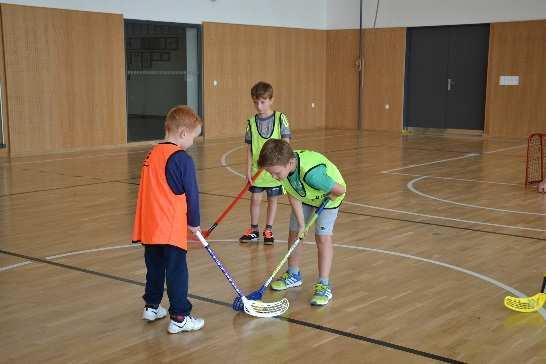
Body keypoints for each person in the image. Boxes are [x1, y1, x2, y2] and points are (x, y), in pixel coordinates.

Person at [132, 105, 204, 334]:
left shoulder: (152, 153)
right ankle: (180, 317)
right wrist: (194, 221)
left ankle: (151, 306)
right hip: (170, 227)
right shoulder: (181, 158)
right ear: (183, 133)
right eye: (194, 137)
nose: (193, 142)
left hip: (150, 226)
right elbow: (191, 193)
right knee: (176, 271)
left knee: (154, 267)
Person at [257, 139, 346, 306]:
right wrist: (302, 225)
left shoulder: (312, 174)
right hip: (304, 195)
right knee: (295, 231)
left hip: (328, 198)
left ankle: (324, 285)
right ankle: (293, 274)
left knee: (322, 238)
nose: (274, 177)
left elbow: (341, 190)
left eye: (276, 173)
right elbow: (293, 194)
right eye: (271, 174)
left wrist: (330, 195)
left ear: (290, 163)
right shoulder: (284, 169)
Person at [239, 81, 291, 244]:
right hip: (257, 170)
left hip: (274, 171)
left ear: (271, 100)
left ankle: (268, 229)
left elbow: (286, 144)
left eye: (262, 102)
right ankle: (254, 229)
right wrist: (247, 170)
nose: (259, 106)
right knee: (255, 199)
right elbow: (249, 148)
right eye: (256, 102)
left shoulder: (281, 118)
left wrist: (283, 168)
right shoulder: (251, 122)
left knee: (272, 200)